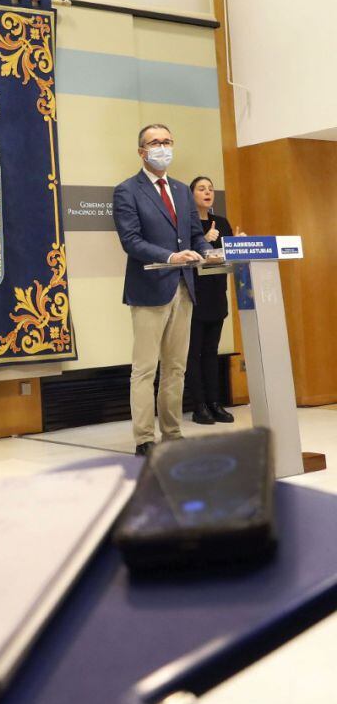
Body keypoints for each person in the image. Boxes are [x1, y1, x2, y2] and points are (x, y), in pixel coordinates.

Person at [112, 124, 214, 457]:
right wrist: (170, 256)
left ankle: (172, 432)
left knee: (175, 367)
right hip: (149, 289)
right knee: (144, 369)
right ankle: (144, 438)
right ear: (141, 151)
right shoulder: (127, 191)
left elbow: (195, 234)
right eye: (155, 142)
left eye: (167, 141)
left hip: (184, 287)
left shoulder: (183, 191)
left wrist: (209, 252)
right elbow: (131, 241)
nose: (162, 147)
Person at [185, 176, 241, 425]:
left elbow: (226, 257)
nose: (207, 192)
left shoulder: (222, 222)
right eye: (201, 189)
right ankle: (199, 406)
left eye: (210, 189)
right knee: (193, 352)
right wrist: (204, 241)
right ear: (191, 195)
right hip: (194, 295)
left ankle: (215, 403)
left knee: (211, 351)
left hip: (217, 294)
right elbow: (185, 257)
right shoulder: (186, 223)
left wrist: (237, 245)